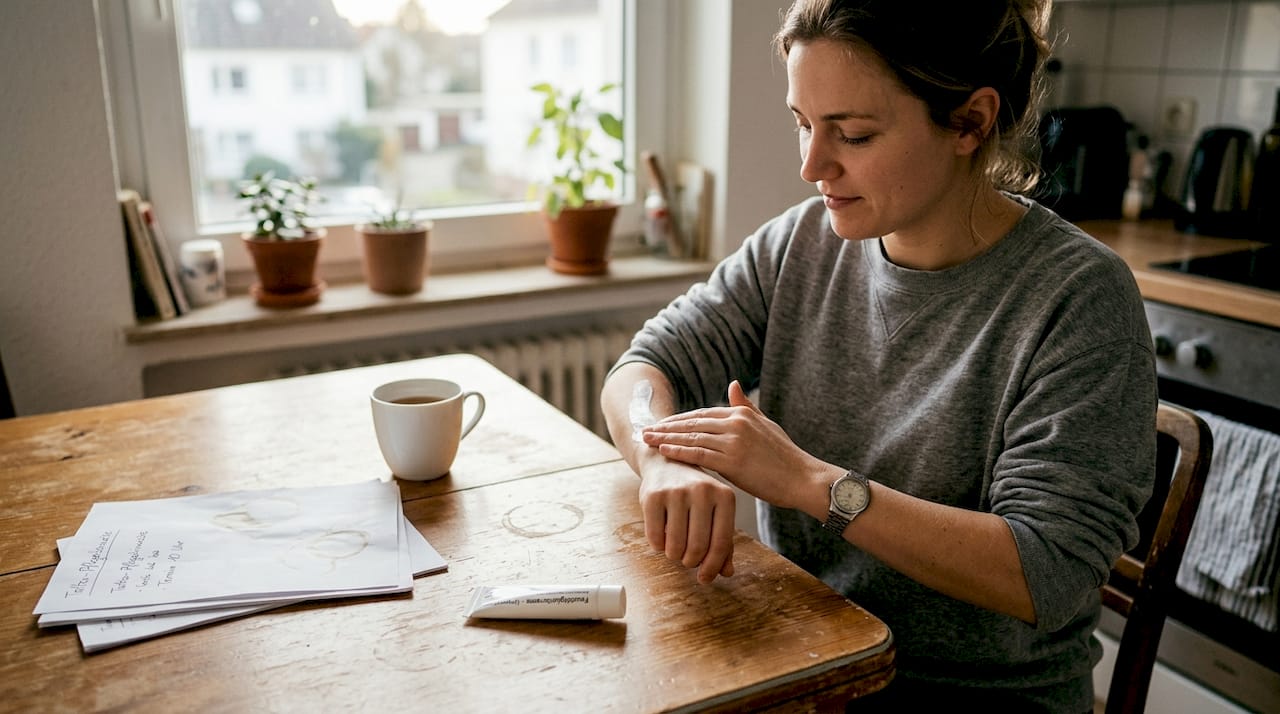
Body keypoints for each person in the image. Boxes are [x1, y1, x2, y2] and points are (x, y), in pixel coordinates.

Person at [599, 0, 1157, 710]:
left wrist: (808, 482)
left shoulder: (1078, 297)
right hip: (809, 658)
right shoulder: (799, 244)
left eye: (854, 135)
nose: (811, 165)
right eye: (803, 124)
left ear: (970, 122)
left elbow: (1048, 572)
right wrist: (662, 458)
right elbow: (646, 365)